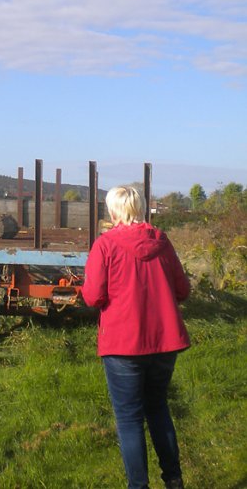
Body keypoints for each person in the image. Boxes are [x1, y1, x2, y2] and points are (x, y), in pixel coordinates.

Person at [82, 186, 190, 489]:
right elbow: (182, 290)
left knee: (129, 419)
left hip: (123, 345)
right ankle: (173, 479)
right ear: (141, 208)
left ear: (112, 210)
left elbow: (92, 297)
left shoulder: (105, 245)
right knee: (158, 407)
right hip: (164, 341)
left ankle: (138, 486)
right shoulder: (162, 242)